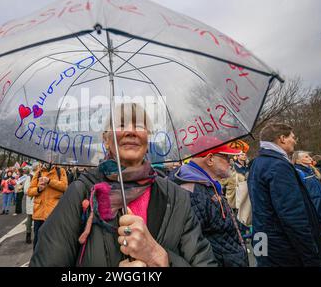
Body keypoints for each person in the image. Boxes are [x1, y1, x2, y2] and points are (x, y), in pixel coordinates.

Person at [29, 103, 216, 267]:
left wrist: (161, 259)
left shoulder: (176, 198)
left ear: (148, 137)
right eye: (120, 124)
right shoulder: (81, 193)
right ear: (106, 139)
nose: (131, 131)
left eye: (140, 125)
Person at [248, 123, 321, 266]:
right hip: (281, 244)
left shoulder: (257, 163)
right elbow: (292, 213)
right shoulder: (278, 165)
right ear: (282, 138)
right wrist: (311, 254)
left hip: (262, 236)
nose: (295, 141)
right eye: (292, 137)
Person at [170, 137, 248, 267]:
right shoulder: (192, 191)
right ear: (210, 159)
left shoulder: (204, 184)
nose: (231, 162)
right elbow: (192, 247)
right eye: (226, 158)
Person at [293, 151, 321, 267]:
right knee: (318, 249)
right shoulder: (299, 172)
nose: (309, 158)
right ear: (297, 160)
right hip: (314, 215)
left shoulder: (311, 170)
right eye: (306, 156)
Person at [28, 163, 68, 250]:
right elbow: (30, 191)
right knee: (37, 241)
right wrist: (38, 189)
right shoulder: (38, 172)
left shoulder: (60, 171)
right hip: (39, 213)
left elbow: (64, 187)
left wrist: (49, 181)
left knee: (52, 241)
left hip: (53, 212)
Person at [24, 166, 35, 244]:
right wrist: (37, 190)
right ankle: (28, 235)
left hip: (39, 201)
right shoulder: (30, 177)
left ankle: (37, 236)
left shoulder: (41, 175)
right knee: (30, 219)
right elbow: (26, 190)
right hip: (31, 200)